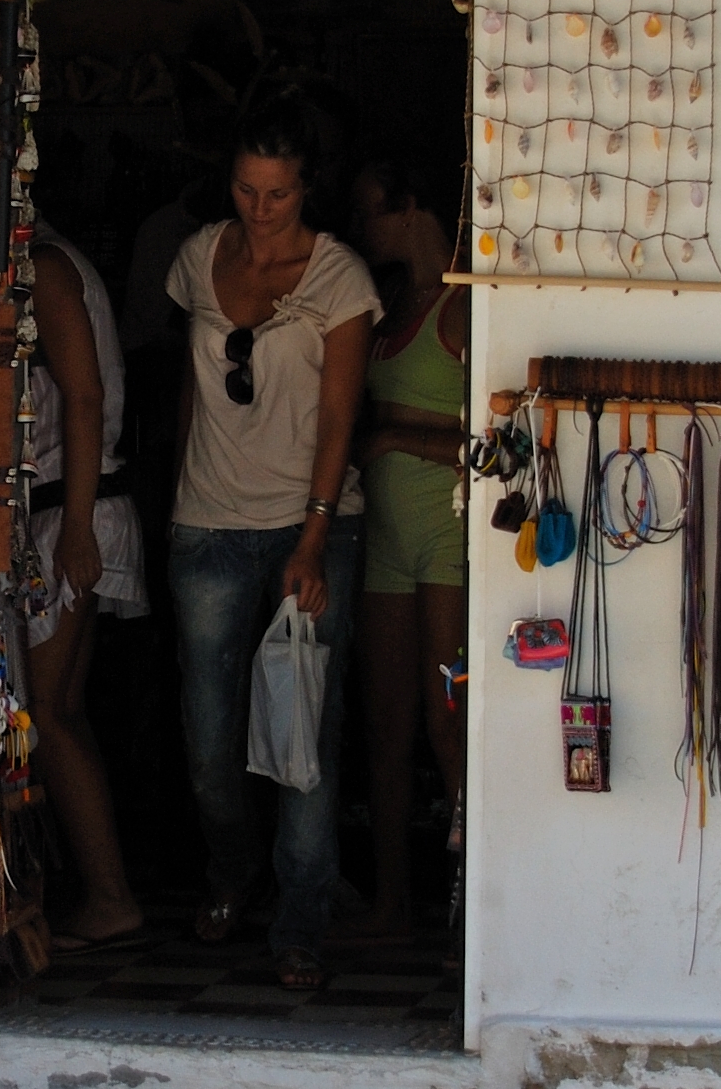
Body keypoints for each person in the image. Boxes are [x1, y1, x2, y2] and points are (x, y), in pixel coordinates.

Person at [167, 104, 375, 989]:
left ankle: (301, 918)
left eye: (279, 193)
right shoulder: (197, 258)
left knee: (304, 738)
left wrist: (316, 537)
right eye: (248, 190)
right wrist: (164, 499)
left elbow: (339, 417)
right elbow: (188, 391)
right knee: (209, 743)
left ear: (307, 189)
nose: (262, 209)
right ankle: (231, 873)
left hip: (309, 528)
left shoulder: (340, 279)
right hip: (205, 522)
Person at [348, 157, 470, 942]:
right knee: (385, 727)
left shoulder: (463, 307)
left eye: (370, 211)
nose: (360, 228)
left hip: (447, 541)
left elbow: (492, 441)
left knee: (447, 725)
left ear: (409, 205)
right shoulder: (393, 304)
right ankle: (393, 902)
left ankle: (469, 909)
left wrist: (391, 432)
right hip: (388, 541)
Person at [25, 223, 149, 945]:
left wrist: (73, 528)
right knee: (60, 708)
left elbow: (83, 398)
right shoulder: (56, 260)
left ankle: (109, 896)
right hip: (77, 506)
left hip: (73, 511)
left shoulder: (45, 266)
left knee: (47, 711)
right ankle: (106, 894)